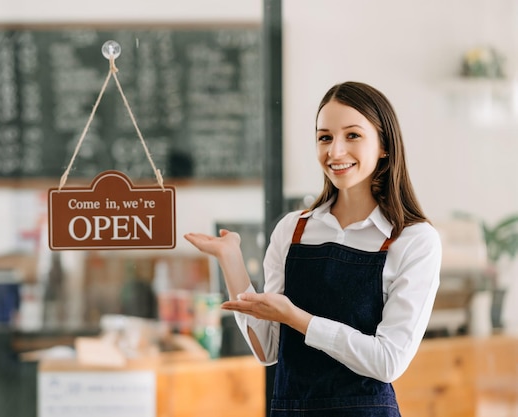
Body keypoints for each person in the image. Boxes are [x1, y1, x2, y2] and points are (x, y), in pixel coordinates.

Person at [184, 81, 441, 416]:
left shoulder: (414, 240)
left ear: (384, 146)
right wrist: (229, 258)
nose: (334, 152)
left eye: (352, 135)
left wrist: (298, 318)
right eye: (324, 137)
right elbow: (268, 350)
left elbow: (388, 361)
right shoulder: (292, 229)